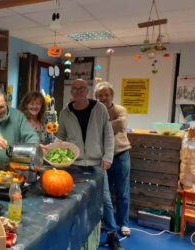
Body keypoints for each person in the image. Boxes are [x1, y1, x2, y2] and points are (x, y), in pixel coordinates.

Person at [56, 79, 122, 250]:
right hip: (74, 164)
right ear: (72, 91)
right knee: (74, 201)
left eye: (82, 88)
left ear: (87, 90)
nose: (78, 91)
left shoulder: (99, 109)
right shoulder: (65, 113)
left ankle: (112, 235)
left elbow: (108, 135)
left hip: (96, 164)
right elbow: (61, 137)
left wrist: (108, 157)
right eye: (74, 88)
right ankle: (78, 237)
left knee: (105, 200)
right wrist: (56, 152)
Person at [95, 81, 132, 237]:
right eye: (100, 95)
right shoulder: (95, 112)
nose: (104, 97)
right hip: (103, 158)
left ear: (112, 95)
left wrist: (103, 126)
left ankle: (123, 223)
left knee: (123, 192)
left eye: (107, 94)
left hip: (121, 154)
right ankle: (106, 221)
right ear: (97, 97)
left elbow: (121, 123)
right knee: (105, 193)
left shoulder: (119, 110)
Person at [0, 88, 39, 169]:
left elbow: (32, 136)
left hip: (14, 169)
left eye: (1, 107)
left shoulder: (18, 116)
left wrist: (31, 151)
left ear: (7, 103)